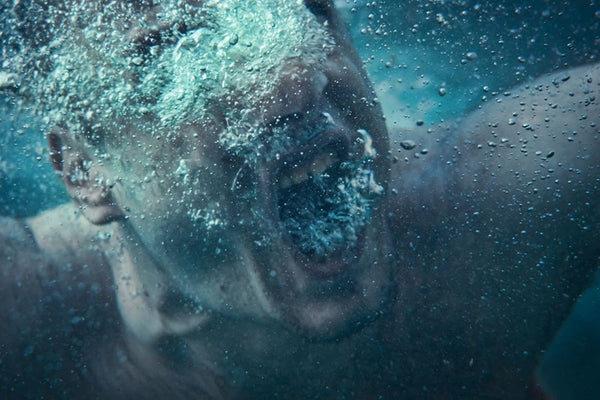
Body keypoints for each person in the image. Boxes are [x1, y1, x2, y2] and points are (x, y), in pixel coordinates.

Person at [0, 0, 598, 398]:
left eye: (303, 12)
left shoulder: (514, 191)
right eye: (173, 57)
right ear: (82, 170)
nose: (289, 80)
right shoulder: (28, 314)